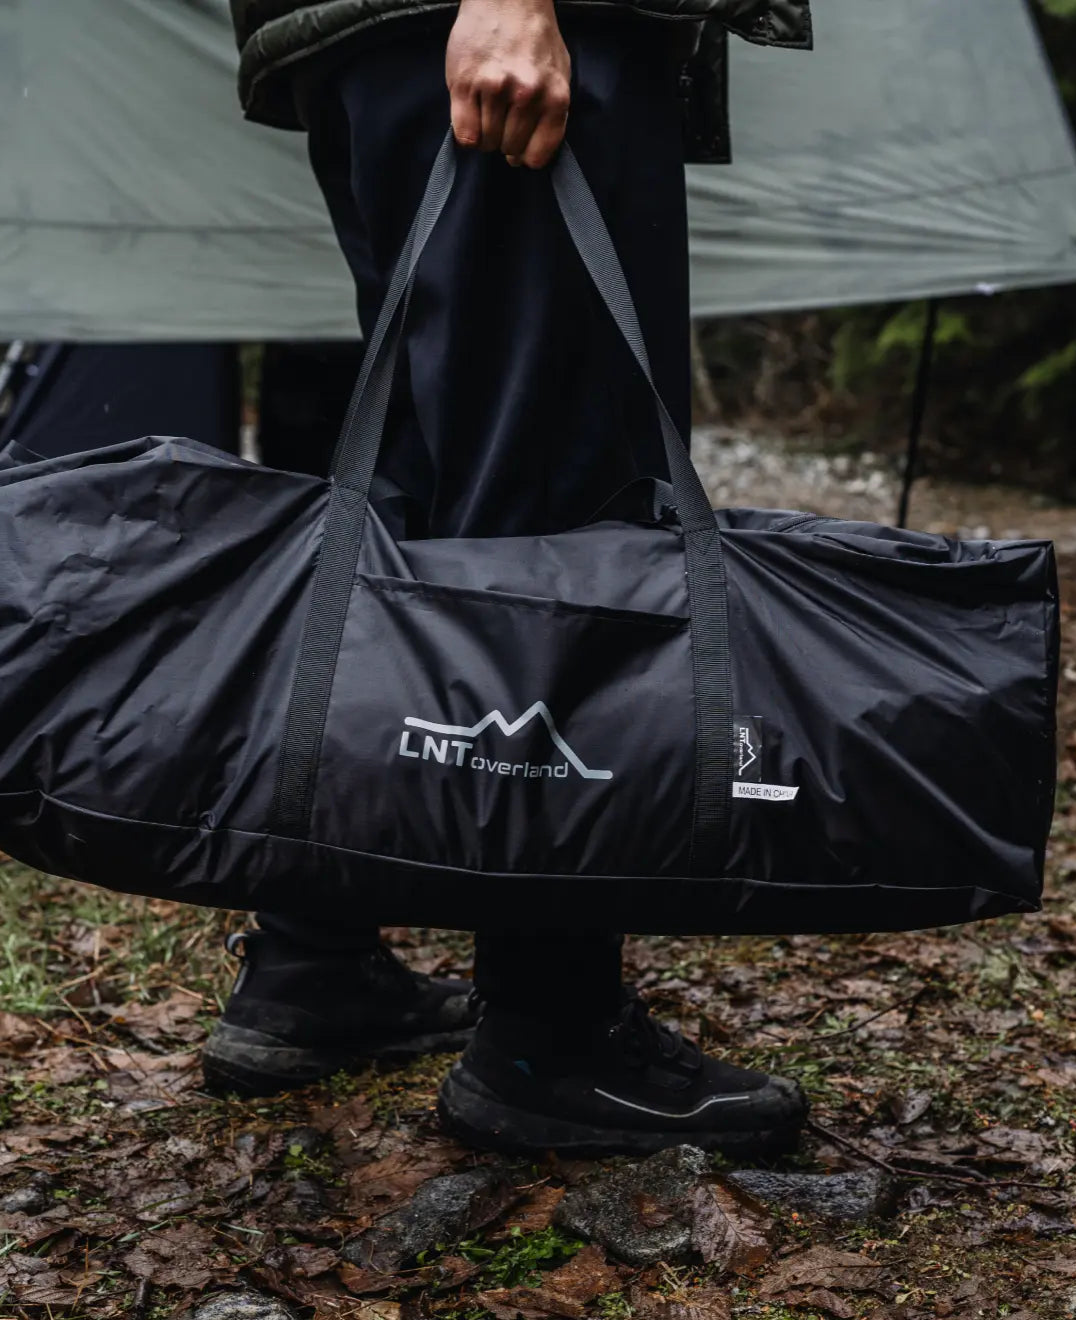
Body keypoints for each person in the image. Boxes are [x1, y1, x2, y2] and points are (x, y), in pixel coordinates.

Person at [205, 0, 812, 1157]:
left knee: (416, 495)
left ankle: (311, 960)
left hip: (371, 32)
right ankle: (550, 1033)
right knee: (560, 518)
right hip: (505, 24)